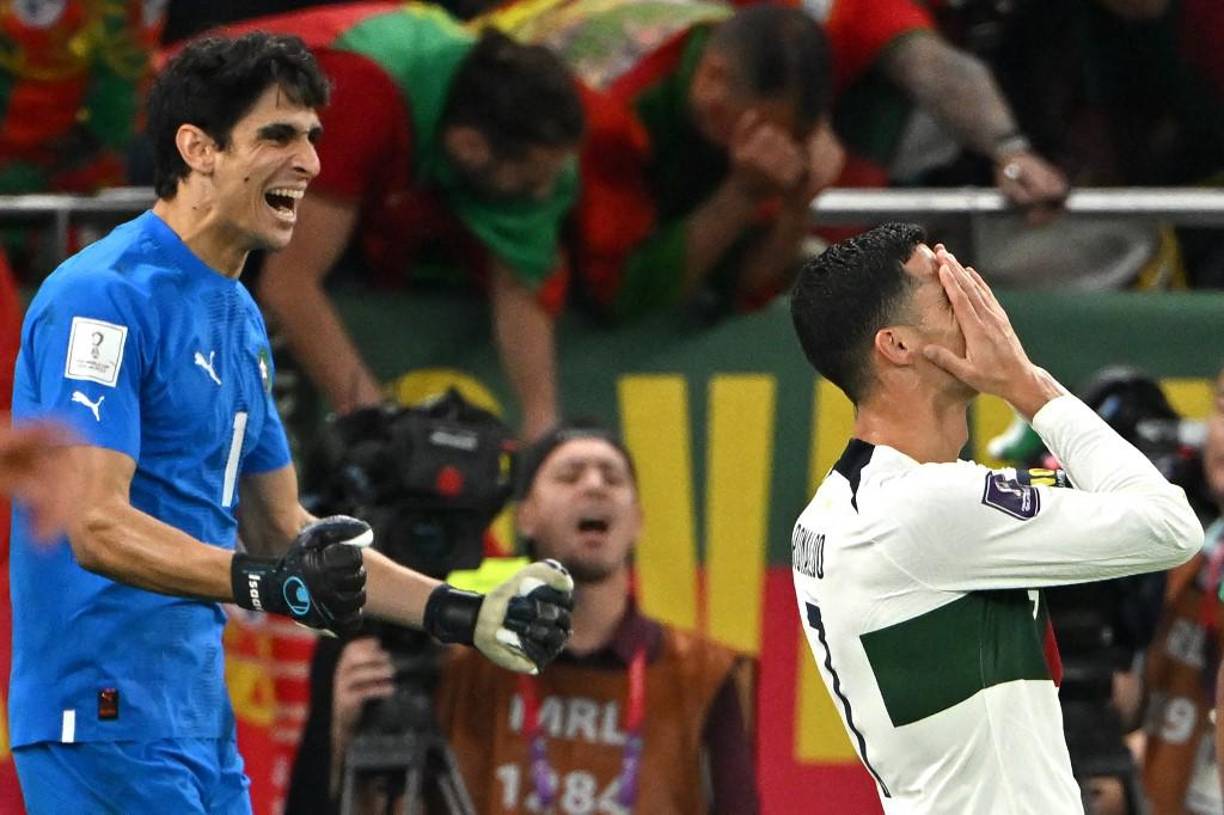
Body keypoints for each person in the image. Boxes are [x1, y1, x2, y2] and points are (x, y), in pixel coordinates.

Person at [8, 33, 574, 815]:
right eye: (278, 135)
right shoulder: (101, 297)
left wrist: (464, 612)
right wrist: (266, 581)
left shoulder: (238, 314)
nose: (308, 161)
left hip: (196, 722)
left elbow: (285, 533)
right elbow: (96, 525)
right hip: (102, 718)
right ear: (197, 148)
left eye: (312, 136)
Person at [787, 222, 1203, 812]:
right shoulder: (925, 507)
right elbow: (1170, 527)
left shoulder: (837, 509)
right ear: (897, 345)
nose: (983, 307)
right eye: (949, 289)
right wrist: (1027, 386)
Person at [291, 420, 759, 813]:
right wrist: (337, 742)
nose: (594, 484)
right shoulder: (453, 664)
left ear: (637, 520)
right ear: (526, 517)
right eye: (570, 475)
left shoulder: (703, 675)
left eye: (612, 478)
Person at [218, 3, 585, 439]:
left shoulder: (527, 138)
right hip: (196, 141)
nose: (543, 195)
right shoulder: (366, 93)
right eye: (530, 181)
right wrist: (377, 423)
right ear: (468, 147)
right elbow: (289, 285)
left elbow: (519, 280)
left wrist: (543, 430)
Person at [488, 0, 842, 323]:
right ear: (712, 79)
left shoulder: (731, 65)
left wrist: (799, 203)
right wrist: (739, 197)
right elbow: (621, 294)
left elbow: (742, 285)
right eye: (762, 134)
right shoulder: (614, 118)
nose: (769, 152)